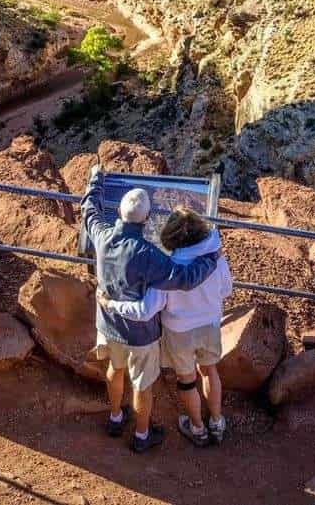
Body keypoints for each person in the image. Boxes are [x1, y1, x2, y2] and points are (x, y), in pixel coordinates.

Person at [80, 167, 220, 453]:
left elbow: (89, 208)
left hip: (108, 324)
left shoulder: (102, 235)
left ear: (118, 212)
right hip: (140, 334)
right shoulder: (150, 255)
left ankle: (116, 416)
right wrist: (211, 259)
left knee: (114, 369)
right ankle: (142, 435)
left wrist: (95, 177)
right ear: (146, 219)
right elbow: (186, 279)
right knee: (142, 385)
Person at [98, 207, 232, 448]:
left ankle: (198, 429)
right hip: (210, 325)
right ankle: (216, 422)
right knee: (210, 371)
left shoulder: (167, 269)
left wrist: (111, 304)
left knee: (187, 380)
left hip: (178, 332)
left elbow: (147, 310)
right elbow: (226, 291)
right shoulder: (216, 259)